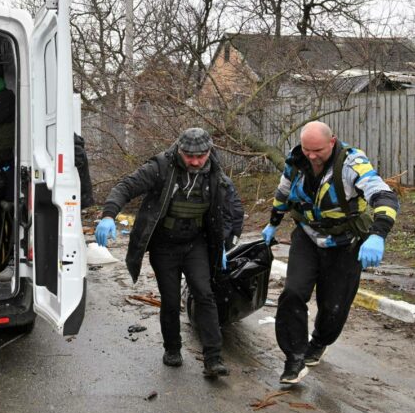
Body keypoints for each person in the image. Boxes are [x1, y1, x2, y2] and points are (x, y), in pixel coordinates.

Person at [95, 127, 240, 378]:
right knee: (170, 299)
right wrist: (109, 214)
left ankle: (213, 358)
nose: (195, 161)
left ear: (209, 152)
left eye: (200, 156)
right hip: (164, 245)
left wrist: (226, 243)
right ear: (179, 150)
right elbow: (127, 186)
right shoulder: (161, 166)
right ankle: (172, 348)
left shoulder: (216, 174)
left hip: (196, 243)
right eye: (189, 156)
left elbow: (232, 209)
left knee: (204, 294)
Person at [262, 121, 399, 385]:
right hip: (307, 236)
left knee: (334, 306)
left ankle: (319, 342)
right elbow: (283, 192)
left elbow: (384, 196)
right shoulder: (296, 160)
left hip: (344, 243)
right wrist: (273, 223)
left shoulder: (352, 164)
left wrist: (378, 234)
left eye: (318, 151)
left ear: (332, 142)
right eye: (307, 149)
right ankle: (294, 358)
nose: (311, 156)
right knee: (292, 293)